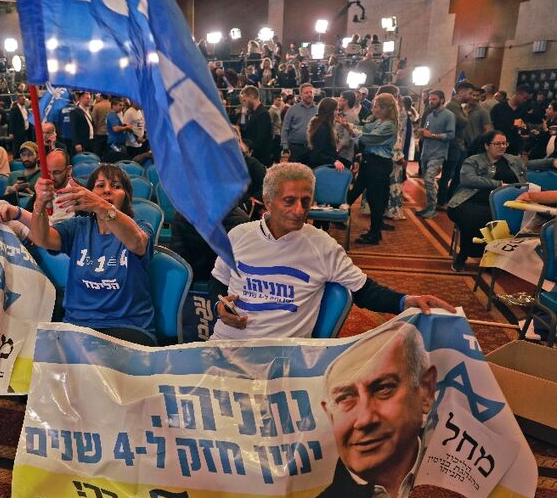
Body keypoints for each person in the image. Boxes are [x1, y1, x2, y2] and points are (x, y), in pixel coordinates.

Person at [0, 162, 155, 498]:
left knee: (90, 401)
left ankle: (108, 483)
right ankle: (74, 482)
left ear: (124, 198)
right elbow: (44, 237)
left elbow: (134, 241)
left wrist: (102, 206)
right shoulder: (78, 229)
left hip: (125, 331)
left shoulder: (136, 228)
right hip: (77, 331)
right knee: (48, 395)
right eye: (100, 185)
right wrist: (40, 203)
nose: (106, 191)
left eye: (114, 188)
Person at [211, 163, 453, 341]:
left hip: (281, 356)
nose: (299, 210)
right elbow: (218, 284)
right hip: (226, 343)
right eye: (289, 201)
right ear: (267, 201)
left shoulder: (322, 246)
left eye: (306, 201)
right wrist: (219, 308)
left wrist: (406, 300)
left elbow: (365, 291)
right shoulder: (238, 236)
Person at [275, 321, 437, 498]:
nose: (364, 420)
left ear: (425, 390)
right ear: (330, 416)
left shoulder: (466, 478)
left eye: (383, 388)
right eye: (344, 399)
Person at [447, 130, 527, 272]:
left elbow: (530, 166)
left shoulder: (513, 161)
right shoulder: (474, 160)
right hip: (470, 200)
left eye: (504, 143)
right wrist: (498, 184)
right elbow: (468, 179)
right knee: (473, 218)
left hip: (502, 204)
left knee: (500, 218)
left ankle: (491, 257)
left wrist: (551, 161)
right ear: (486, 145)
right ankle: (463, 255)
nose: (502, 146)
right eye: (497, 144)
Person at [345, 93, 400, 245]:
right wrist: (349, 126)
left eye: (376, 106)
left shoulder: (389, 125)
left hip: (379, 164)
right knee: (356, 191)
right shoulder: (380, 121)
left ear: (385, 109)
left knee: (376, 198)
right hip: (370, 162)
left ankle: (375, 234)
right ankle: (340, 212)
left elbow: (369, 138)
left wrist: (350, 129)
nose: (373, 109)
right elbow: (364, 128)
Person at [415, 90, 455, 219]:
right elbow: (427, 131)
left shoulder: (449, 115)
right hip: (426, 152)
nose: (431, 101)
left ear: (442, 100)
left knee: (429, 179)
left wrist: (432, 135)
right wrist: (422, 133)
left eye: (434, 99)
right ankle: (429, 206)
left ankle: (432, 208)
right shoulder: (430, 115)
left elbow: (450, 135)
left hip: (438, 153)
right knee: (428, 181)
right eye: (430, 99)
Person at [306, 97, 350, 171]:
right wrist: (334, 161)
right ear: (330, 111)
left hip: (326, 164)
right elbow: (316, 154)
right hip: (322, 168)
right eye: (336, 110)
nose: (337, 112)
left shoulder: (326, 126)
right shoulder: (322, 129)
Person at [281, 83, 317, 163]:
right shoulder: (292, 110)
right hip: (296, 149)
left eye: (311, 92)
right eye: (306, 93)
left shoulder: (318, 110)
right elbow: (285, 129)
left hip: (313, 149)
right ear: (300, 95)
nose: (309, 94)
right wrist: (285, 147)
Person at [240, 85, 273, 167]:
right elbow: (243, 129)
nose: (244, 104)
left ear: (251, 97)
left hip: (259, 159)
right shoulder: (251, 113)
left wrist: (249, 152)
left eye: (245, 100)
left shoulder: (263, 114)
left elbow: (261, 139)